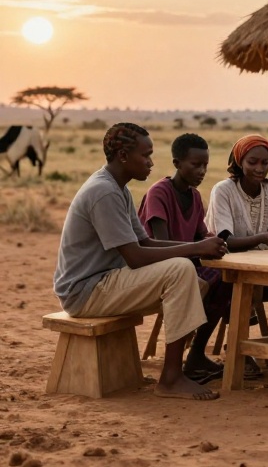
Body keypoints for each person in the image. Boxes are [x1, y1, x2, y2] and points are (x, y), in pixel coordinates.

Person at [52, 123, 227, 400]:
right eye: (146, 156)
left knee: (195, 280)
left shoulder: (117, 188)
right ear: (123, 155)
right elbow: (135, 257)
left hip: (105, 281)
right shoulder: (104, 191)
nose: (151, 163)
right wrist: (195, 248)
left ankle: (177, 369)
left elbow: (144, 242)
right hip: (84, 291)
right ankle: (170, 378)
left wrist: (197, 248)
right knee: (181, 270)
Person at [205, 133, 268, 374]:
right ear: (239, 161)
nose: (260, 168)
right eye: (253, 162)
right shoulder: (224, 190)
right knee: (241, 280)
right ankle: (239, 347)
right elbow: (225, 241)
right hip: (224, 266)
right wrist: (263, 238)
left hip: (264, 265)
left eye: (265, 163)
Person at [136, 133, 230, 382]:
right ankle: (191, 357)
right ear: (177, 163)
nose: (202, 171)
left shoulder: (195, 196)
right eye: (195, 165)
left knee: (226, 279)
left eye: (205, 165)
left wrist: (215, 242)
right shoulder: (160, 193)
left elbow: (201, 233)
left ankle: (197, 352)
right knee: (217, 279)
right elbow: (158, 243)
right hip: (162, 266)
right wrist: (201, 247)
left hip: (187, 262)